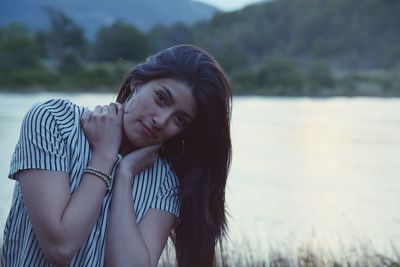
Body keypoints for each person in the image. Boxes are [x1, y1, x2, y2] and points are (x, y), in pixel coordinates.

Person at [1, 44, 232, 267]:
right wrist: (104, 154)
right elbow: (60, 247)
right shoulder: (54, 122)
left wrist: (124, 174)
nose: (161, 121)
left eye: (179, 119)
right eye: (161, 98)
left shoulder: (165, 183)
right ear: (137, 81)